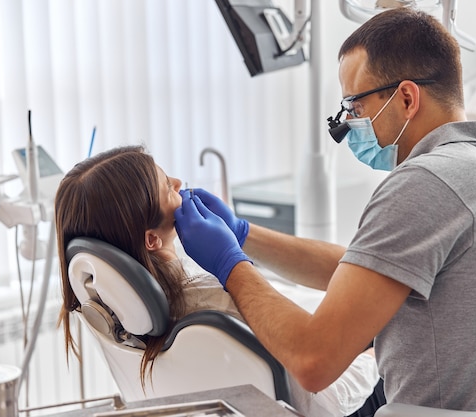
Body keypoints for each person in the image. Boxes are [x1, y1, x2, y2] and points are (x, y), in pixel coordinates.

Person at [174, 7, 476, 413]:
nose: (348, 124)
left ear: (407, 98)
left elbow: (313, 361)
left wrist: (230, 265)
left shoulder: (424, 182)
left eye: (354, 107)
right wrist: (242, 234)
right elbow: (366, 269)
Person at [54, 146, 380, 417]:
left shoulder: (106, 310)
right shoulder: (215, 302)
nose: (180, 182)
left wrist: (241, 233)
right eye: (169, 186)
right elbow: (329, 401)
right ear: (151, 239)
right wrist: (377, 355)